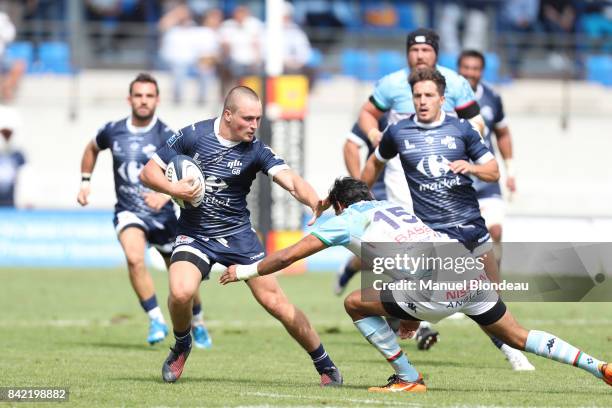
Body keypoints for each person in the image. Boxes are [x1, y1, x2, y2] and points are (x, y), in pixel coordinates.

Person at [219, 177, 612, 393]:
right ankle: (599, 367)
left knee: (355, 304)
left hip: (435, 285)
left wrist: (247, 271)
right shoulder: (391, 207)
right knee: (518, 335)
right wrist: (407, 312)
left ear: (340, 204)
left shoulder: (343, 218)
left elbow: (288, 256)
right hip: (465, 267)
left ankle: (407, 377)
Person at [139, 85, 342, 386]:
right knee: (180, 292)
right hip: (195, 235)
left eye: (258, 119)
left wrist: (314, 201)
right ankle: (182, 345)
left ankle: (325, 364)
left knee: (276, 303)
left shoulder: (256, 150)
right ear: (228, 114)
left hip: (239, 237)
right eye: (248, 119)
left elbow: (291, 180)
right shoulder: (193, 135)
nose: (254, 126)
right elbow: (148, 173)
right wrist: (173, 189)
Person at [362, 68, 535, 370]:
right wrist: (361, 199)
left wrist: (471, 168)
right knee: (461, 294)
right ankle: (413, 340)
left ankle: (505, 344)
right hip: (436, 236)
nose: (422, 101)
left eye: (429, 95)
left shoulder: (462, 130)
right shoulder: (398, 132)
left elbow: (493, 170)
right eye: (417, 96)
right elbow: (374, 163)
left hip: (473, 230)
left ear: (443, 99)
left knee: (491, 298)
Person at [357, 27, 487, 353]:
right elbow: (366, 114)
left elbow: (478, 121)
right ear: (407, 54)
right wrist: (375, 136)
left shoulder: (454, 82)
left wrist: (461, 146)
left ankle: (455, 305)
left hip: (443, 178)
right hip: (401, 174)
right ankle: (421, 316)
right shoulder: (391, 83)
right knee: (408, 245)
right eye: (414, 51)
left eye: (425, 51)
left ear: (436, 54)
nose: (419, 56)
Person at [77, 73, 212, 348]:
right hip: (129, 212)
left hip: (164, 219)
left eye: (149, 96)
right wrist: (85, 182)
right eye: (138, 95)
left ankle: (197, 321)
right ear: (129, 99)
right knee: (134, 259)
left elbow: (186, 174)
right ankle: (155, 319)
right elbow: (91, 148)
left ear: (157, 100)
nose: (143, 101)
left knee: (183, 283)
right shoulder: (112, 131)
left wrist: (166, 195)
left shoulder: (167, 135)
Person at [458, 50, 516, 265]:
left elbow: (503, 134)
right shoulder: (446, 99)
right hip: (458, 183)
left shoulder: (492, 98)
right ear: (459, 69)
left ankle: (495, 284)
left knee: (496, 231)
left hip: (486, 180)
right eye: (466, 67)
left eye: (475, 68)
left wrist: (511, 172)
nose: (470, 73)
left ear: (481, 71)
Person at [0, 105, 24, 206]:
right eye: (4, 133)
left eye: (8, 134)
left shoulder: (18, 155)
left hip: (10, 202)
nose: (6, 137)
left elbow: (25, 178)